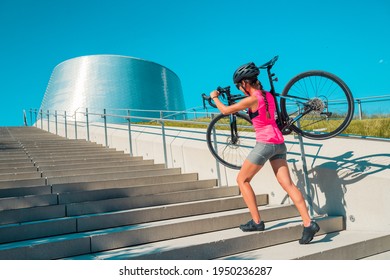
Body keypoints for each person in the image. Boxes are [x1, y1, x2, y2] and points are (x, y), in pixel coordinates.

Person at [209, 62, 320, 244]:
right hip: (279, 143)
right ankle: (308, 224)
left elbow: (225, 110)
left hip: (265, 144)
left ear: (245, 83)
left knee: (242, 180)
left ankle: (257, 222)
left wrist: (214, 97)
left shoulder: (252, 99)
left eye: (240, 86)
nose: (240, 89)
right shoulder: (268, 95)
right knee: (289, 185)